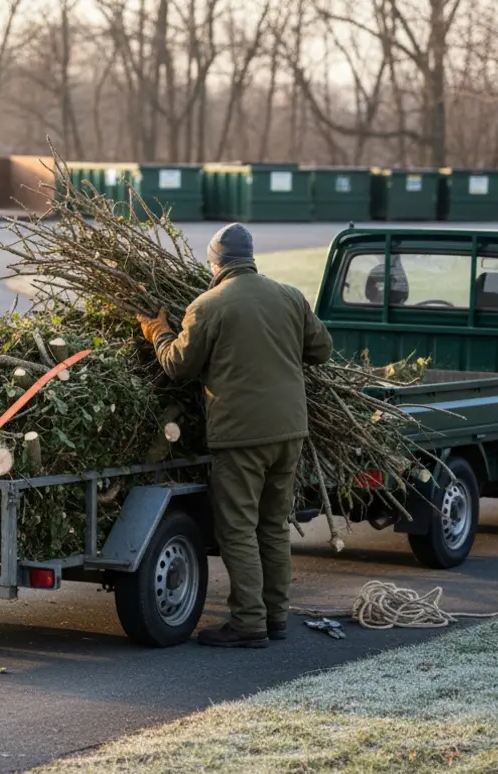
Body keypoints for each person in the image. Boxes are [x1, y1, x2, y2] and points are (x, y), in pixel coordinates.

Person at [138, 223, 333, 648]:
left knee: (239, 529)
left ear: (217, 262)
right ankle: (276, 617)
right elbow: (321, 350)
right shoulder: (289, 296)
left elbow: (178, 365)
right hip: (289, 430)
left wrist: (158, 332)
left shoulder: (209, 304)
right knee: (273, 525)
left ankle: (249, 623)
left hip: (241, 434)